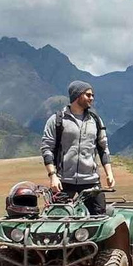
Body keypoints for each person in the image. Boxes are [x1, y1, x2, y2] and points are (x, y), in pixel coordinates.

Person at [41, 81, 115, 215]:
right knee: (56, 219)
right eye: (88, 95)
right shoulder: (57, 120)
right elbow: (47, 148)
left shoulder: (96, 121)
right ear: (77, 95)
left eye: (93, 95)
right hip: (63, 181)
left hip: (91, 181)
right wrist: (52, 176)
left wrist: (109, 174)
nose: (92, 98)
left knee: (99, 220)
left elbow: (103, 148)